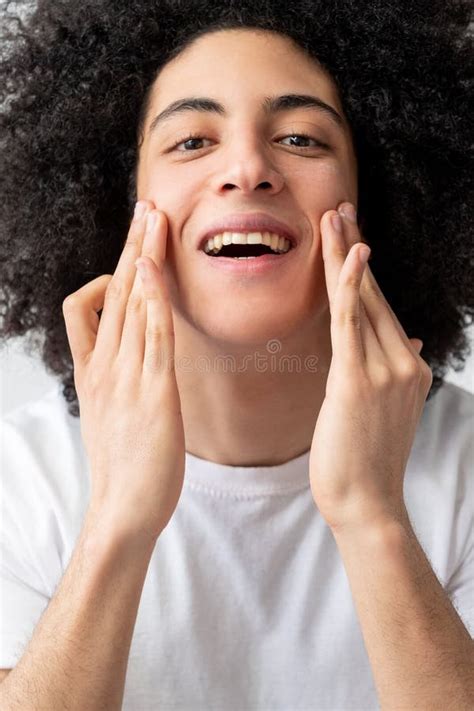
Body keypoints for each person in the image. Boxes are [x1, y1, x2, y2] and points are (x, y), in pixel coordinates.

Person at [0, 1, 473, 709]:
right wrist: (120, 521)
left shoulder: (462, 464)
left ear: (372, 198)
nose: (248, 168)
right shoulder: (22, 479)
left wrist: (372, 513)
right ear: (115, 199)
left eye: (301, 138)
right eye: (191, 141)